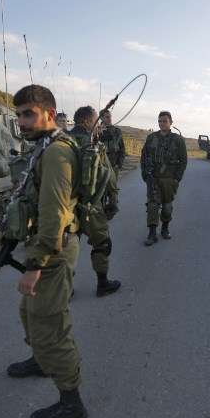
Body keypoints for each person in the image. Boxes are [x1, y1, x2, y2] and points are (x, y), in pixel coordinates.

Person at [5, 84, 87, 418]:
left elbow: (53, 214)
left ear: (49, 114)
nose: (21, 121)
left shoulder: (56, 153)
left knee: (50, 327)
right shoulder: (42, 147)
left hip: (51, 251)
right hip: (42, 244)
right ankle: (41, 360)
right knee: (30, 313)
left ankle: (72, 403)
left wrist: (35, 265)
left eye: (28, 114)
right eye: (18, 114)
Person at [69, 106, 122, 297]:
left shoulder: (61, 142)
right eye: (95, 121)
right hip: (91, 204)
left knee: (68, 245)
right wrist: (113, 199)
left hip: (67, 206)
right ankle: (102, 283)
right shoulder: (93, 144)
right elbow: (107, 175)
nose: (98, 124)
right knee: (102, 243)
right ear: (86, 122)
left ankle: (65, 289)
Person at [141, 111, 188, 245]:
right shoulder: (151, 138)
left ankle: (165, 229)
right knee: (152, 206)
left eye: (164, 121)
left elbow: (183, 161)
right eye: (160, 121)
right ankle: (151, 233)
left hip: (169, 179)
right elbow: (144, 157)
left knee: (167, 207)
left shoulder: (178, 140)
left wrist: (176, 179)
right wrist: (145, 174)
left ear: (171, 123)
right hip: (153, 178)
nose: (162, 123)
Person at [99, 109, 126, 173]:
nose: (110, 119)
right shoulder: (97, 131)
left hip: (114, 166)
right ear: (101, 118)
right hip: (101, 168)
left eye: (110, 116)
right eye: (107, 117)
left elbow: (122, 149)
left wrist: (119, 164)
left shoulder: (117, 131)